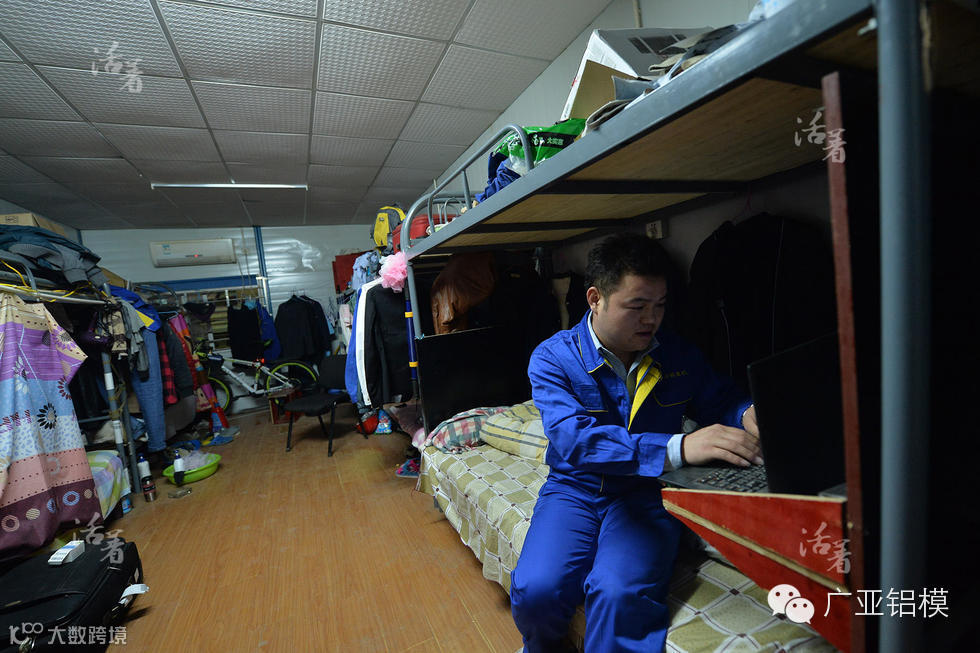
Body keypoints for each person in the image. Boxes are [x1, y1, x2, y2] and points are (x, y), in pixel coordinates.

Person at [510, 233, 761, 652]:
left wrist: (747, 412)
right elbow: (575, 441)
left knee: (619, 594)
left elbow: (720, 399)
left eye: (660, 305)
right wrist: (679, 447)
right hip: (575, 488)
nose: (651, 319)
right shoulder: (554, 358)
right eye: (637, 306)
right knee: (537, 590)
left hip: (645, 492)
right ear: (595, 299)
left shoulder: (677, 354)